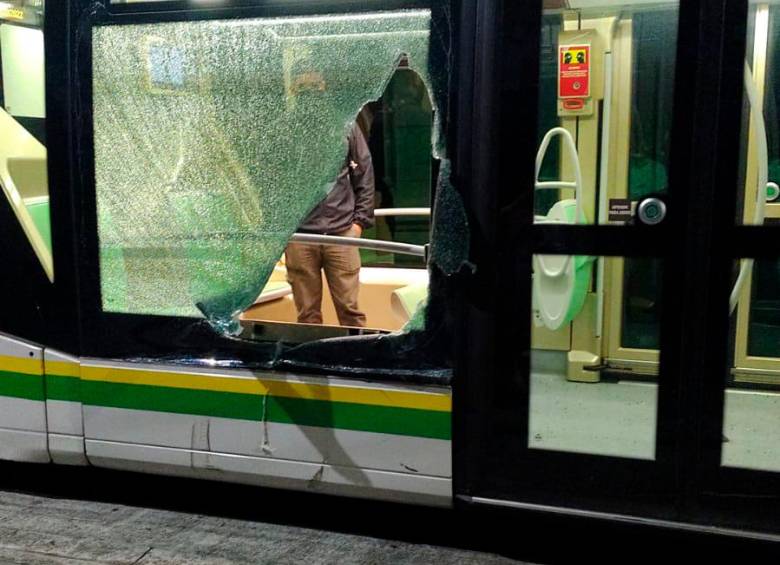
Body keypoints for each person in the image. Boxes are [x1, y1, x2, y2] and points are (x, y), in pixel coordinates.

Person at [285, 123, 375, 327]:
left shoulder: (346, 123)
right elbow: (274, 180)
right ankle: (310, 358)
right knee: (307, 316)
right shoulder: (288, 125)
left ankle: (357, 357)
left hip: (341, 232)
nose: (311, 88)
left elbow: (364, 171)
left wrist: (359, 222)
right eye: (303, 87)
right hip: (300, 236)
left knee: (350, 310)